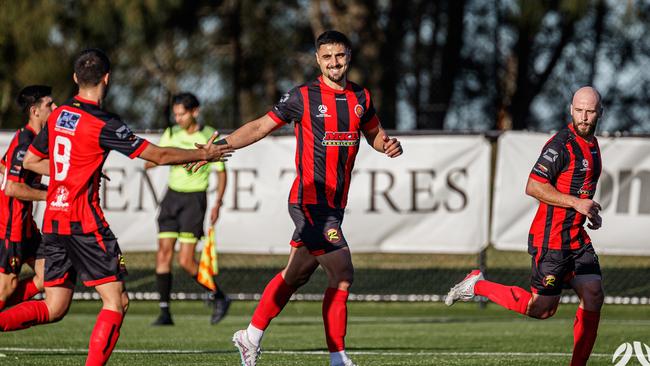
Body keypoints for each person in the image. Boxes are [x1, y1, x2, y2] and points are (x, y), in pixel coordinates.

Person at [0, 48, 232, 366]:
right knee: (116, 301)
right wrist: (203, 155)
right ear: (108, 78)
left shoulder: (59, 115)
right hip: (84, 222)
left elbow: (32, 160)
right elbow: (158, 155)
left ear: (75, 79)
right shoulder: (104, 123)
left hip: (53, 219)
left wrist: (74, 172)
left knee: (55, 307)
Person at [210, 30, 403, 366]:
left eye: (339, 56)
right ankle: (338, 358)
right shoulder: (302, 96)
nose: (334, 62)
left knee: (296, 275)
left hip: (334, 204)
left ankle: (249, 336)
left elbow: (373, 133)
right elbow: (259, 127)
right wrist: (222, 146)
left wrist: (386, 144)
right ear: (318, 59)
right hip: (308, 200)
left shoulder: (361, 96)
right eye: (327, 56)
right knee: (342, 272)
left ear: (348, 56)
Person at [446, 86, 604, 366]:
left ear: (599, 113)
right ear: (571, 110)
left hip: (577, 239)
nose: (584, 116)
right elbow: (533, 186)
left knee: (593, 294)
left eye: (590, 111)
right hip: (551, 240)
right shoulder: (560, 146)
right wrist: (575, 203)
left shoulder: (592, 146)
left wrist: (589, 211)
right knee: (541, 309)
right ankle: (478, 285)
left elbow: (580, 193)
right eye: (579, 110)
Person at [147, 92, 230, 326]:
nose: (178, 118)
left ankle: (219, 295)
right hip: (171, 197)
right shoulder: (171, 133)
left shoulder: (208, 135)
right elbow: (152, 159)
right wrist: (155, 160)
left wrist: (218, 203)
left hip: (194, 200)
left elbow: (222, 174)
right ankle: (165, 312)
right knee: (163, 253)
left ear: (195, 112)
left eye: (182, 114)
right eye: (175, 114)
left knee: (185, 261)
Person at [0, 85, 56, 311]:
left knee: (46, 277)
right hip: (11, 225)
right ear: (35, 111)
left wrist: (33, 185)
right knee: (7, 286)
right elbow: (12, 189)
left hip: (26, 226)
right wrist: (48, 195)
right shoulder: (26, 142)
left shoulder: (31, 138)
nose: (54, 107)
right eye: (49, 105)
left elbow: (4, 165)